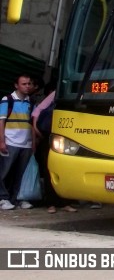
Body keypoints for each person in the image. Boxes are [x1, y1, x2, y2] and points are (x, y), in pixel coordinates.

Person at [32, 85, 78, 214]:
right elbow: (36, 112)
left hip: (69, 139)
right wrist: (38, 131)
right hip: (51, 138)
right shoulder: (58, 93)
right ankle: (50, 203)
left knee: (66, 171)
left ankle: (65, 203)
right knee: (50, 171)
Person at [0, 74, 35, 210]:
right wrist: (2, 142)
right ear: (16, 85)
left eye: (29, 84)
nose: (27, 86)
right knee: (4, 172)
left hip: (25, 144)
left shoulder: (30, 102)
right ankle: (3, 198)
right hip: (10, 142)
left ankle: (17, 199)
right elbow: (1, 122)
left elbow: (31, 124)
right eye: (24, 84)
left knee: (21, 173)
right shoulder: (7, 100)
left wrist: (33, 143)